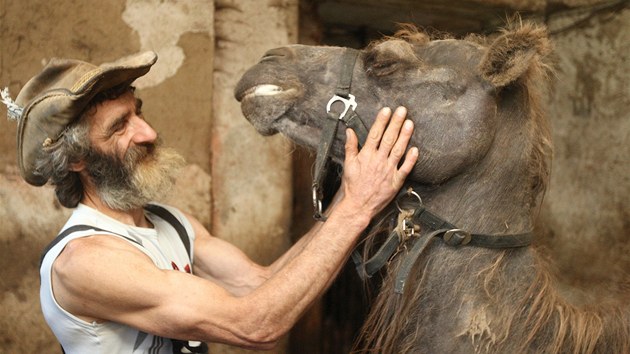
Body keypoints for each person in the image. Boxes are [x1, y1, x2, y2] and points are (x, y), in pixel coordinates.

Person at [1, 51, 418, 353]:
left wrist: (352, 191)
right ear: (75, 159)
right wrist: (356, 208)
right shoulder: (83, 261)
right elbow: (255, 326)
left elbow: (258, 285)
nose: (147, 133)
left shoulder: (169, 223)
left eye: (138, 113)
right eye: (120, 127)